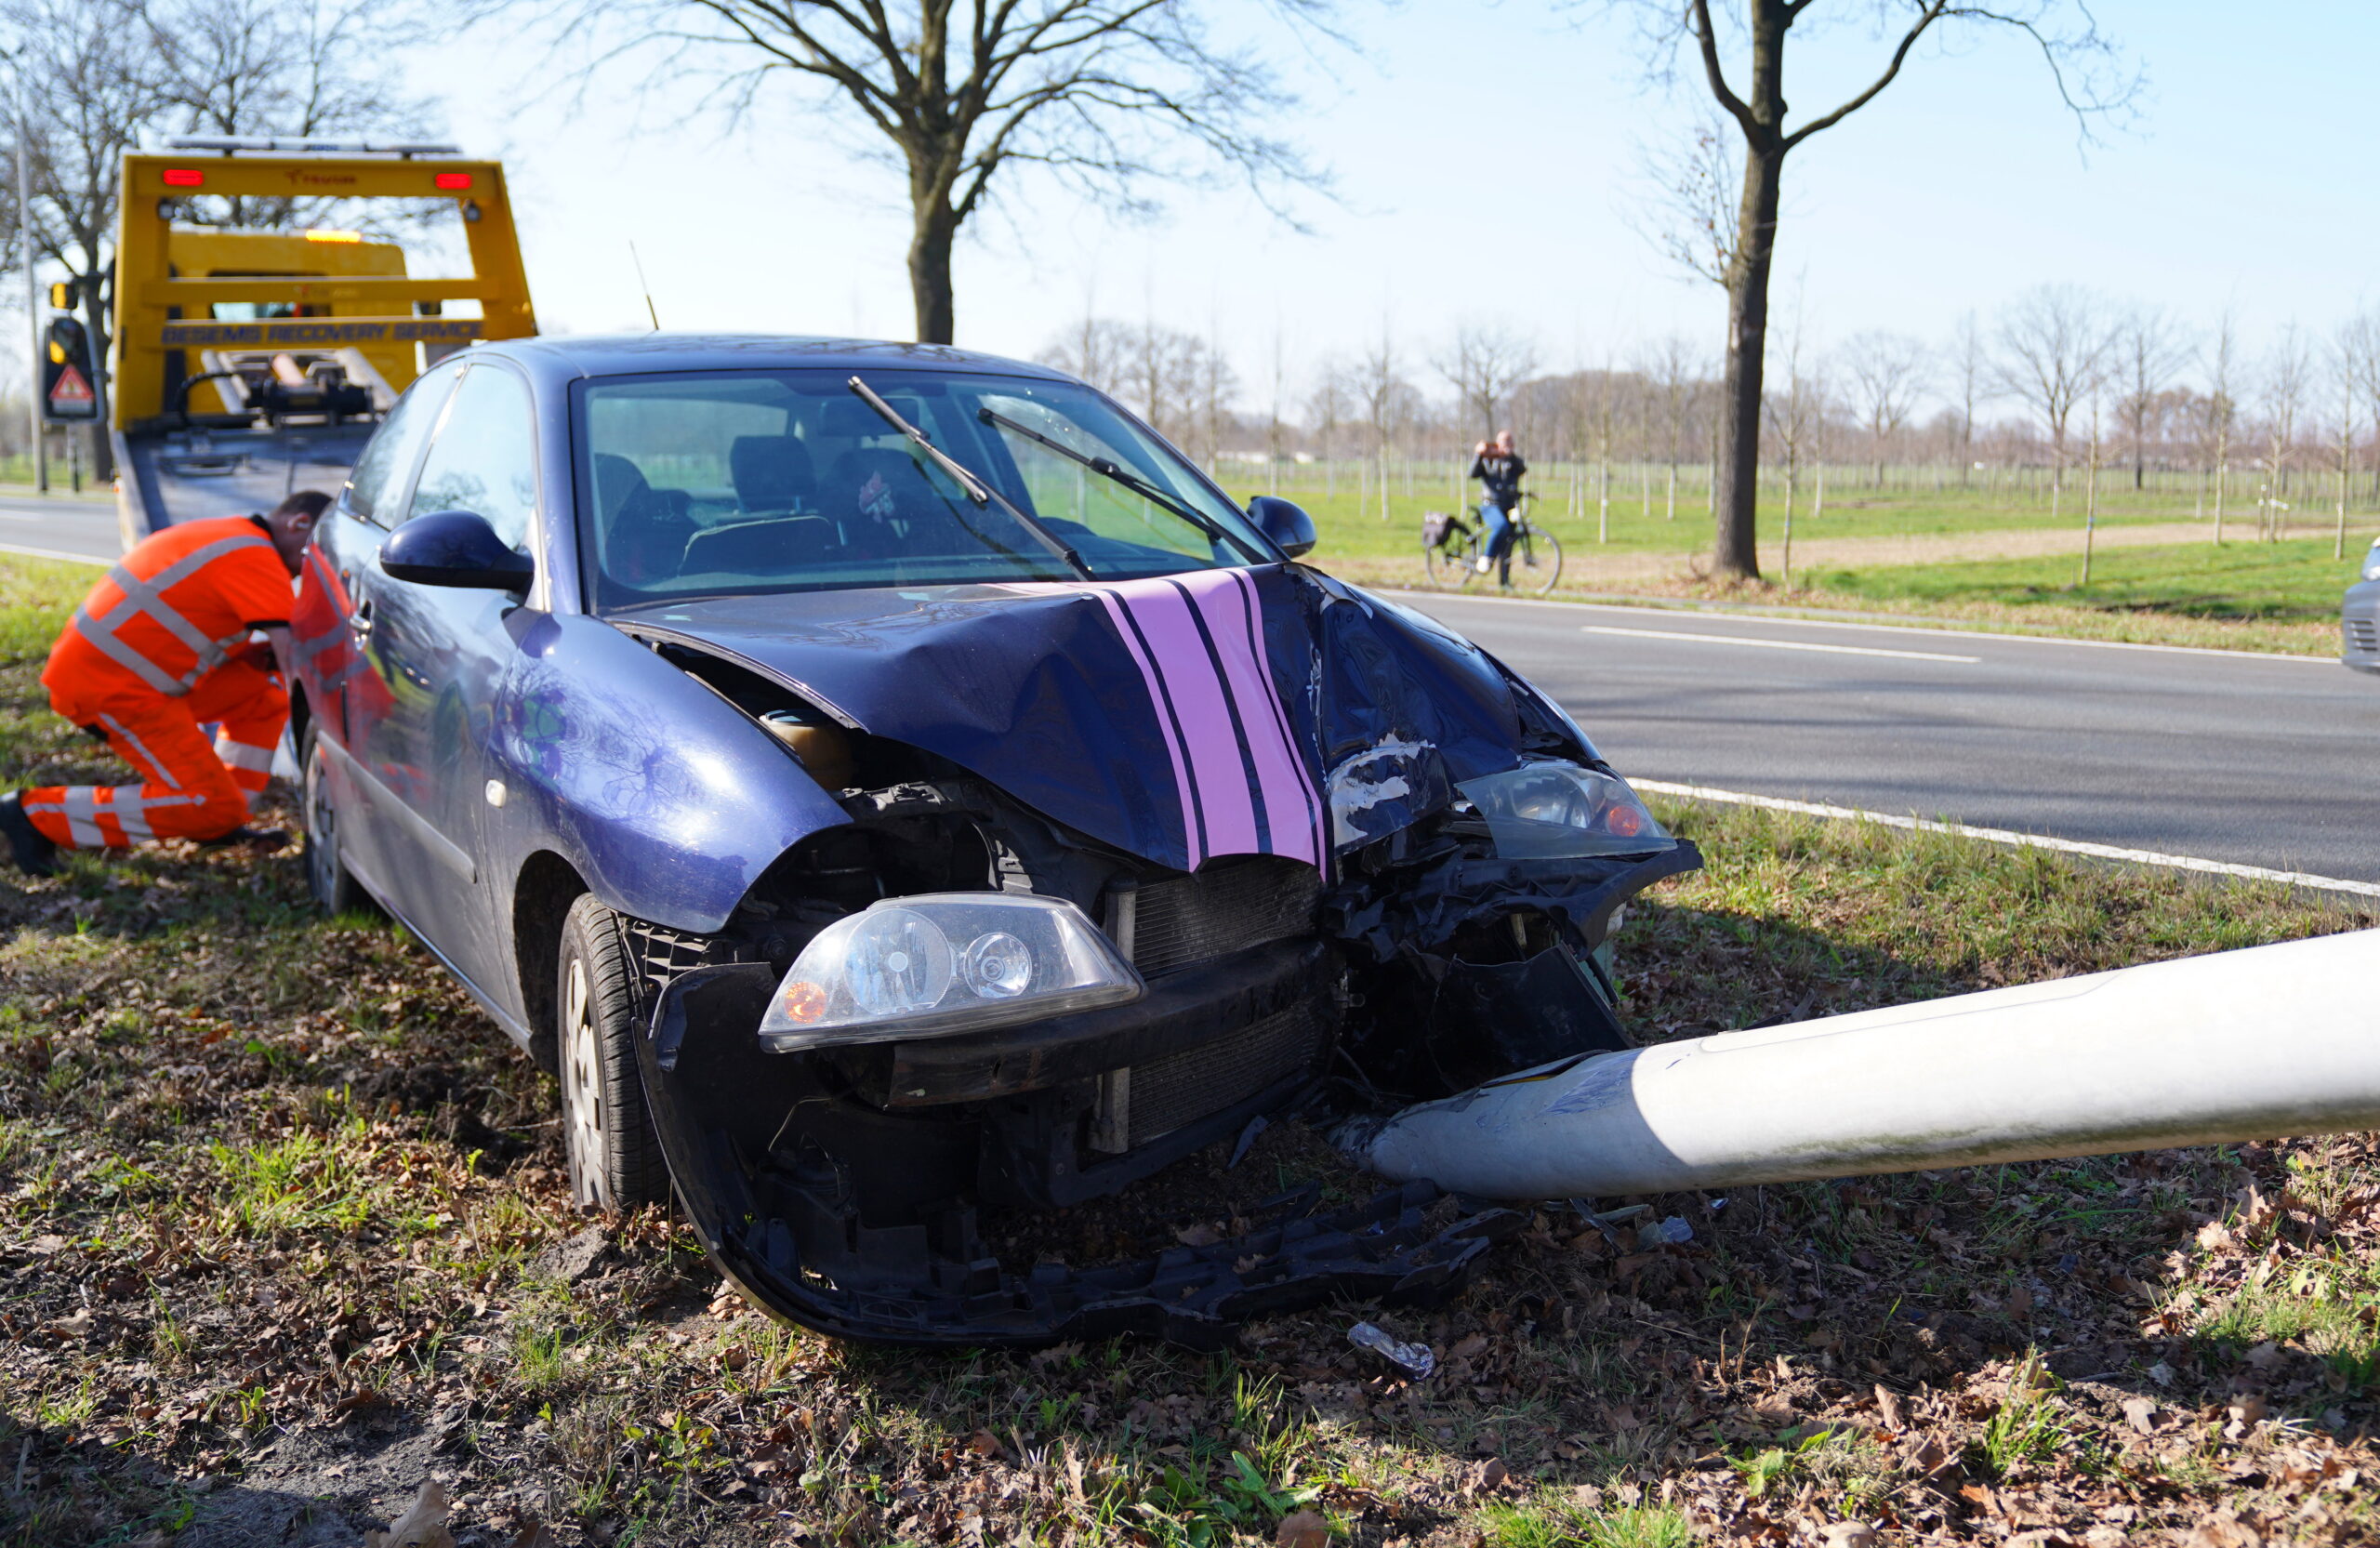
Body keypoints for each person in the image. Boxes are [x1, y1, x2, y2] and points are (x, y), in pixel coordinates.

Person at [0, 491, 330, 876]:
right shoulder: (254, 555)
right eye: (315, 555)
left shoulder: (231, 537)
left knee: (263, 691)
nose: (309, 571)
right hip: (112, 690)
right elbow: (292, 656)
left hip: (131, 680)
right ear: (299, 525)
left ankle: (221, 817)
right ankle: (35, 815)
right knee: (208, 800)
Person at [1468, 430, 1527, 584]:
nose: (1507, 444)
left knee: (1508, 543)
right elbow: (1472, 473)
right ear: (1497, 443)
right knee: (1501, 526)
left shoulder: (1514, 462)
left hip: (1508, 506)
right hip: (1490, 505)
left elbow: (1522, 469)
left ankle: (1504, 581)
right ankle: (1486, 558)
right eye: (1503, 441)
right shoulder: (1487, 460)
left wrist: (1509, 455)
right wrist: (1479, 454)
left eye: (1509, 441)